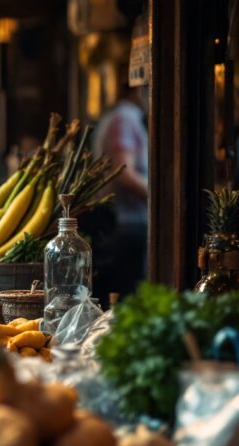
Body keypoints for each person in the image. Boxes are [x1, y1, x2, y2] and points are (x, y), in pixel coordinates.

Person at [91, 76, 149, 301]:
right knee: (126, 294)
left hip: (124, 222)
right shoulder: (124, 118)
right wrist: (157, 199)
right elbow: (124, 171)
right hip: (126, 223)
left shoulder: (118, 117)